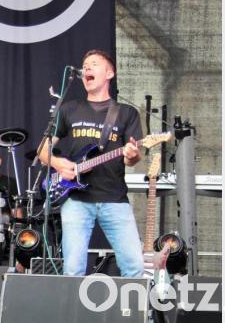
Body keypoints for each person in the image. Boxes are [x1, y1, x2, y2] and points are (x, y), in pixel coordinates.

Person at [37, 49, 144, 277]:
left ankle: (130, 312)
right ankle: (72, 313)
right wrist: (57, 163)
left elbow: (131, 159)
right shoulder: (69, 109)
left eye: (93, 64)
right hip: (76, 199)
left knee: (133, 267)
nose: (86, 68)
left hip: (114, 198)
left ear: (109, 73)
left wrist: (132, 154)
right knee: (73, 269)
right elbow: (42, 150)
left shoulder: (126, 113)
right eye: (84, 65)